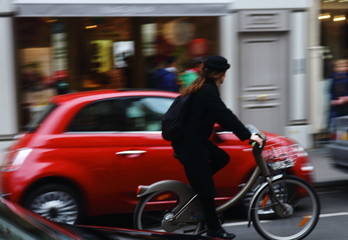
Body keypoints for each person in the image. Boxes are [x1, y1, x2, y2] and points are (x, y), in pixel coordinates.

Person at [171, 55, 263, 239]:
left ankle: (199, 186)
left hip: (193, 142)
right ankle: (214, 230)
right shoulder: (206, 90)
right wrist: (247, 135)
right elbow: (224, 114)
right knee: (207, 190)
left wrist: (220, 126)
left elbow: (209, 115)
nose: (226, 76)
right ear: (219, 74)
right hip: (191, 146)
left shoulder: (203, 86)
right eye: (225, 73)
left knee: (222, 158)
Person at [328, 59, 348, 129]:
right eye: (338, 67)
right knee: (340, 131)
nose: (341, 69)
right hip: (336, 111)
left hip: (345, 110)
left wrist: (345, 99)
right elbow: (331, 93)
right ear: (335, 68)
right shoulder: (333, 79)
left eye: (343, 66)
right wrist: (332, 101)